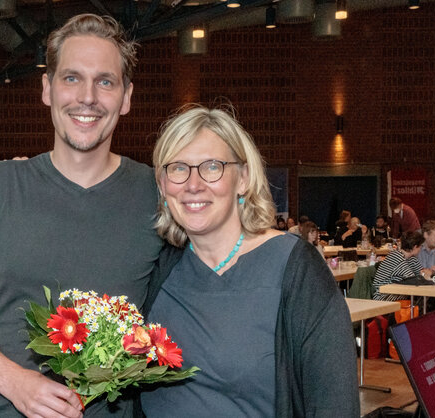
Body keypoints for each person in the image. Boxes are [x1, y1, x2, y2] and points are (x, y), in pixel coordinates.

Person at [0, 14, 164, 418]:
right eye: (71, 77)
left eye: (105, 81)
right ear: (47, 89)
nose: (87, 97)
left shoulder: (157, 194)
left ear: (126, 97)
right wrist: (15, 382)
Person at [140, 105, 358, 416]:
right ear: (162, 185)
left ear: (242, 178)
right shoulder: (156, 269)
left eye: (212, 166)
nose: (193, 183)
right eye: (177, 168)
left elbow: (334, 404)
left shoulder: (295, 269)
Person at [372, 231, 425, 301]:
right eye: (420, 246)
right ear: (415, 247)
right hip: (383, 296)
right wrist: (425, 275)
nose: (421, 249)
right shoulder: (396, 256)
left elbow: (422, 273)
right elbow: (412, 280)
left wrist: (428, 273)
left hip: (396, 295)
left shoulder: (411, 258)